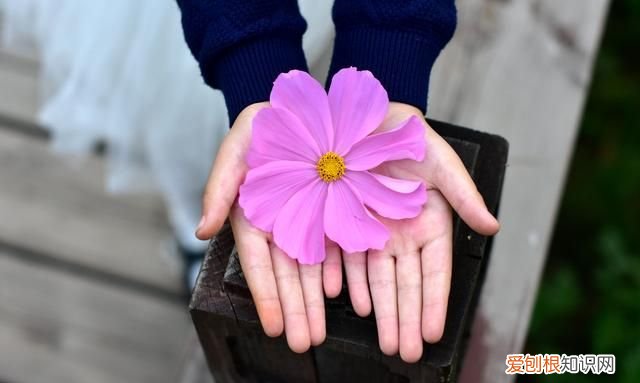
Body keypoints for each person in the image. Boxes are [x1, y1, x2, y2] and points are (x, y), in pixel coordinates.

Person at [177, 0, 500, 363]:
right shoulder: (322, 164)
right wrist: (252, 57)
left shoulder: (336, 166)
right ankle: (184, 218)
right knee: (186, 145)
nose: (331, 167)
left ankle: (187, 223)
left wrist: (383, 49)